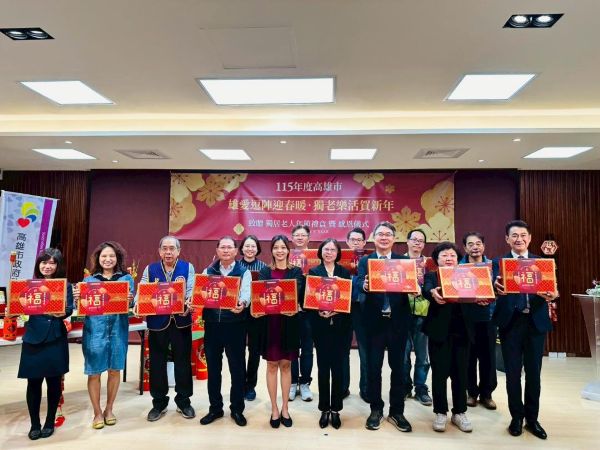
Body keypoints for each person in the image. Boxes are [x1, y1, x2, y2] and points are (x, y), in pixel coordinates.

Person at [493, 220, 558, 440]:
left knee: (533, 374)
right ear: (507, 239)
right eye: (514, 235)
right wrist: (496, 288)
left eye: (523, 235)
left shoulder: (543, 263)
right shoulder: (498, 263)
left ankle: (532, 419)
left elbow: (555, 290)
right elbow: (491, 287)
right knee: (512, 374)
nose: (519, 239)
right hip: (511, 323)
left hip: (535, 323)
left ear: (529, 238)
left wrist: (553, 294)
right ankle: (516, 418)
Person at [423, 241, 485, 433]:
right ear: (437, 259)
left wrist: (484, 296)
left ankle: (459, 412)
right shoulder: (432, 276)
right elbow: (426, 290)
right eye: (444, 255)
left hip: (463, 330)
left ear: (458, 259)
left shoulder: (469, 275)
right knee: (439, 373)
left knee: (461, 373)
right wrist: (432, 292)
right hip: (439, 331)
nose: (448, 258)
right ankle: (440, 412)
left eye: (452, 255)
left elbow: (481, 291)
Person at [357, 221, 413, 432]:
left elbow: (412, 285)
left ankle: (397, 412)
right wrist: (363, 285)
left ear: (394, 239)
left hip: (398, 322)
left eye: (388, 234)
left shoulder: (403, 261)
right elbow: (359, 282)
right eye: (380, 234)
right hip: (374, 322)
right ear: (374, 237)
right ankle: (376, 409)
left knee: (399, 368)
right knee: (373, 367)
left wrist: (414, 286)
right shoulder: (366, 261)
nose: (384, 237)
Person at [75, 241, 135, 429]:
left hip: (118, 330)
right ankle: (97, 412)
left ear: (117, 258)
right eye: (104, 256)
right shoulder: (88, 281)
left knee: (115, 370)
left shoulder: (126, 279)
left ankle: (109, 409)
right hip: (95, 331)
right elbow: (82, 309)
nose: (108, 259)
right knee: (94, 372)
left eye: (111, 256)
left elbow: (131, 307)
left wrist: (131, 300)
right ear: (98, 259)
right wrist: (78, 299)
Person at [138, 236, 195, 422]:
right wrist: (138, 303)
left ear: (178, 251)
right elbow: (142, 291)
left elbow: (191, 290)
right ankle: (159, 403)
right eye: (165, 248)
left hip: (181, 322)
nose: (168, 252)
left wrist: (189, 302)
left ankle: (184, 401)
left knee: (183, 362)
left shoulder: (187, 267)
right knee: (157, 363)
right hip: (157, 323)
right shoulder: (150, 269)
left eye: (172, 248)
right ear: (159, 251)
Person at [18, 248, 73, 440]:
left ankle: (49, 422)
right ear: (38, 264)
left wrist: (62, 312)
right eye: (44, 262)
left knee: (54, 382)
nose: (47, 266)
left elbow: (69, 309)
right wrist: (14, 310)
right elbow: (20, 306)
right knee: (33, 382)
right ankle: (34, 424)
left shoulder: (65, 286)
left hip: (55, 337)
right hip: (33, 337)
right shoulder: (28, 285)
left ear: (58, 266)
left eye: (52, 263)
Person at [199, 236, 252, 427]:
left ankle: (237, 409)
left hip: (235, 325)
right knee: (213, 369)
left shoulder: (243, 272)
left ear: (236, 251)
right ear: (217, 250)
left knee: (237, 369)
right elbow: (201, 293)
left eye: (230, 247)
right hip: (212, 325)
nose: (226, 250)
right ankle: (215, 408)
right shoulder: (208, 271)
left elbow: (246, 293)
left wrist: (242, 303)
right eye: (223, 247)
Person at [257, 235, 305, 428]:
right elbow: (260, 295)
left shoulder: (296, 271)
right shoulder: (265, 271)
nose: (279, 251)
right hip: (270, 324)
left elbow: (297, 295)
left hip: (289, 323)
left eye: (283, 247)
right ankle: (274, 409)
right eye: (276, 247)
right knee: (271, 365)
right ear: (272, 250)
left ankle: (285, 408)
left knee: (286, 365)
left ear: (288, 250)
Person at [307, 238, 352, 429]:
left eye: (333, 250)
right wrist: (319, 311)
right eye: (326, 249)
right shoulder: (314, 272)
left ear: (337, 253)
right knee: (323, 368)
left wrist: (337, 311)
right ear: (321, 252)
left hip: (341, 327)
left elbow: (348, 299)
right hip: (321, 327)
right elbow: (309, 298)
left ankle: (336, 409)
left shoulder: (344, 272)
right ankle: (325, 409)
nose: (329, 252)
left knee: (339, 367)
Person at [460, 232, 497, 410]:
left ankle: (487, 394)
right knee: (468, 356)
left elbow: (501, 288)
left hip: (488, 316)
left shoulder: (493, 265)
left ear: (483, 246)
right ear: (465, 248)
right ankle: (471, 393)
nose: (475, 247)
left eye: (478, 244)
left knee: (488, 356)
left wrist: (490, 297)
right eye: (470, 244)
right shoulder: (458, 267)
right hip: (466, 317)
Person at [402, 229, 432, 406]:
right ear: (407, 241)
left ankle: (421, 388)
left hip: (423, 312)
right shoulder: (398, 262)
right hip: (403, 314)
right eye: (414, 239)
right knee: (403, 355)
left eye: (421, 241)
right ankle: (405, 386)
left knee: (422, 356)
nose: (417, 243)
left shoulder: (429, 264)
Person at [237, 235, 267, 401]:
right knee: (238, 349)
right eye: (247, 246)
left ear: (257, 249)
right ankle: (240, 383)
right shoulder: (236, 266)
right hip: (238, 313)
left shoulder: (264, 268)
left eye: (253, 246)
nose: (250, 249)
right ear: (241, 248)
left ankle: (250, 386)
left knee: (254, 351)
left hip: (257, 314)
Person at [344, 227, 369, 403]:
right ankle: (342, 388)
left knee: (365, 350)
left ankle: (366, 389)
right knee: (342, 350)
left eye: (359, 240)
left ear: (364, 242)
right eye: (352, 240)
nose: (356, 243)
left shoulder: (369, 260)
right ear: (347, 241)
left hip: (363, 308)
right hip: (343, 308)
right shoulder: (339, 260)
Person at [289, 224, 314, 401]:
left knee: (307, 349)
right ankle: (292, 383)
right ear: (292, 238)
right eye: (296, 235)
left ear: (308, 238)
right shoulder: (285, 257)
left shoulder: (316, 259)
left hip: (308, 311)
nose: (299, 238)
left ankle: (305, 383)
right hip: (290, 311)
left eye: (303, 235)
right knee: (291, 348)